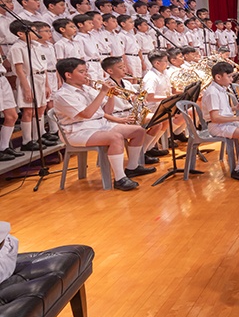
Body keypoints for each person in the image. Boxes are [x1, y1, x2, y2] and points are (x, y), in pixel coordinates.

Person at [53, 58, 152, 190]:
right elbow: (86, 114)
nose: (86, 74)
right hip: (78, 131)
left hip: (100, 125)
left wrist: (111, 95)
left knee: (138, 131)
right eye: (82, 72)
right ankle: (120, 178)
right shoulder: (62, 95)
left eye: (86, 71)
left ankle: (132, 167)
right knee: (115, 137)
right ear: (68, 75)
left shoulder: (87, 89)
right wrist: (103, 92)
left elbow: (107, 111)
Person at [201, 61, 239, 181]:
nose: (232, 80)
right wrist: (237, 118)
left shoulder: (222, 89)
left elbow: (222, 110)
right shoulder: (212, 93)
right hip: (217, 126)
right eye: (229, 76)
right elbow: (215, 118)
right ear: (218, 77)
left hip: (226, 122)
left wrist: (235, 108)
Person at [8, 20, 55, 151]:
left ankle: (37, 136)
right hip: (28, 79)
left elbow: (44, 67)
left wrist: (47, 85)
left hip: (41, 78)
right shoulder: (17, 48)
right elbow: (19, 70)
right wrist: (27, 89)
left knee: (41, 108)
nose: (35, 33)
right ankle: (27, 141)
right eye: (32, 30)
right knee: (29, 110)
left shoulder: (37, 45)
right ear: (20, 34)